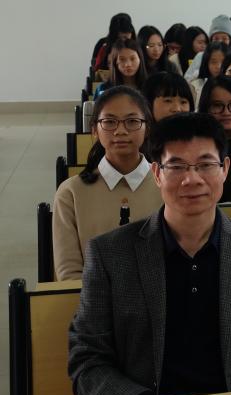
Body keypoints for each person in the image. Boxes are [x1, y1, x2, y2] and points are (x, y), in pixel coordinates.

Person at [67, 112, 231, 395]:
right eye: (176, 166)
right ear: (156, 173)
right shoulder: (109, 254)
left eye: (206, 165)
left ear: (225, 169)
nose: (192, 179)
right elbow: (88, 357)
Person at [53, 87, 163, 281]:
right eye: (110, 122)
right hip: (93, 298)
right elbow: (70, 274)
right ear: (94, 130)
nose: (120, 131)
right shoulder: (71, 193)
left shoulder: (169, 185)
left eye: (132, 121)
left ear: (147, 128)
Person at [185, 15, 231, 81]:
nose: (220, 41)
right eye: (216, 38)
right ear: (210, 40)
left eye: (224, 39)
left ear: (230, 40)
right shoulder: (201, 56)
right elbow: (187, 79)